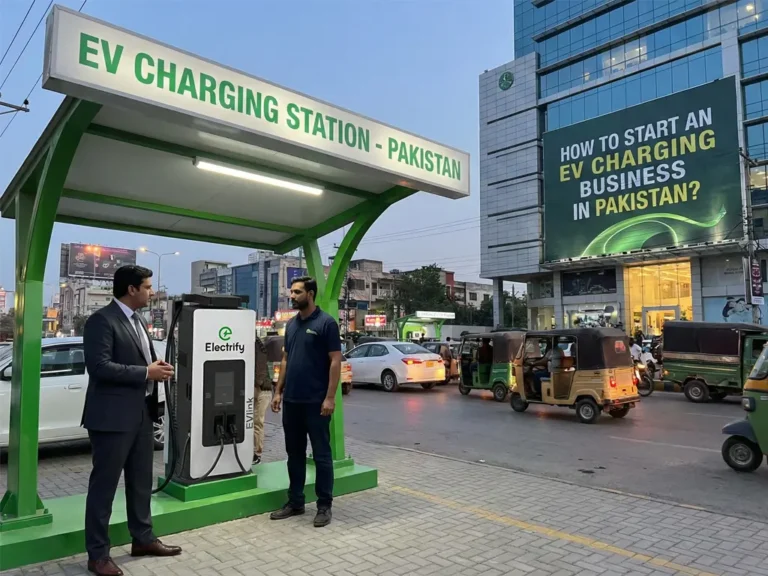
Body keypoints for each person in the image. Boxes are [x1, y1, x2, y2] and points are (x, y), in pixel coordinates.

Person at [82, 265, 181, 576]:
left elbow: (135, 361)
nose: (152, 292)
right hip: (111, 419)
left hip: (141, 416)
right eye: (148, 287)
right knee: (104, 488)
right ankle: (98, 555)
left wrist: (154, 366)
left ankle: (143, 538)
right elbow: (99, 367)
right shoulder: (102, 320)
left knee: (141, 483)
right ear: (132, 289)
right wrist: (145, 372)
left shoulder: (137, 320)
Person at [270, 276, 343, 528]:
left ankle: (324, 506)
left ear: (310, 294)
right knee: (294, 454)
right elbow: (286, 360)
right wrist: (278, 391)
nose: (292, 296)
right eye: (291, 291)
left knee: (322, 455)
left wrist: (330, 397)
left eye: (297, 292)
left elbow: (335, 360)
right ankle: (296, 502)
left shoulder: (326, 323)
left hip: (316, 402)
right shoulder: (290, 325)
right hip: (292, 401)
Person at [253, 335, 273, 464]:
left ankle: (257, 453)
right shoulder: (257, 346)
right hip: (258, 388)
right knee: (254, 422)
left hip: (261, 389)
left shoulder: (257, 347)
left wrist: (256, 383)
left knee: (256, 421)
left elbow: (260, 369)